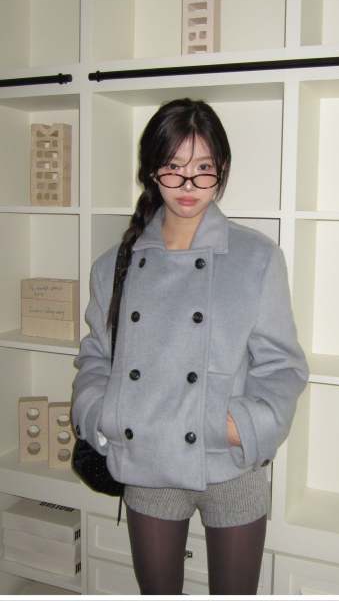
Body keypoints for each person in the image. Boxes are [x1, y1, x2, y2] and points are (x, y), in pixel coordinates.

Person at [71, 98, 309, 595]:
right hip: (147, 460)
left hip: (231, 463)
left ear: (222, 170)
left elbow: (282, 366)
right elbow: (96, 357)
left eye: (202, 168)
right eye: (173, 167)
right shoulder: (113, 264)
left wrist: (239, 426)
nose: (187, 184)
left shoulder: (256, 257)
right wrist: (103, 415)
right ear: (151, 171)